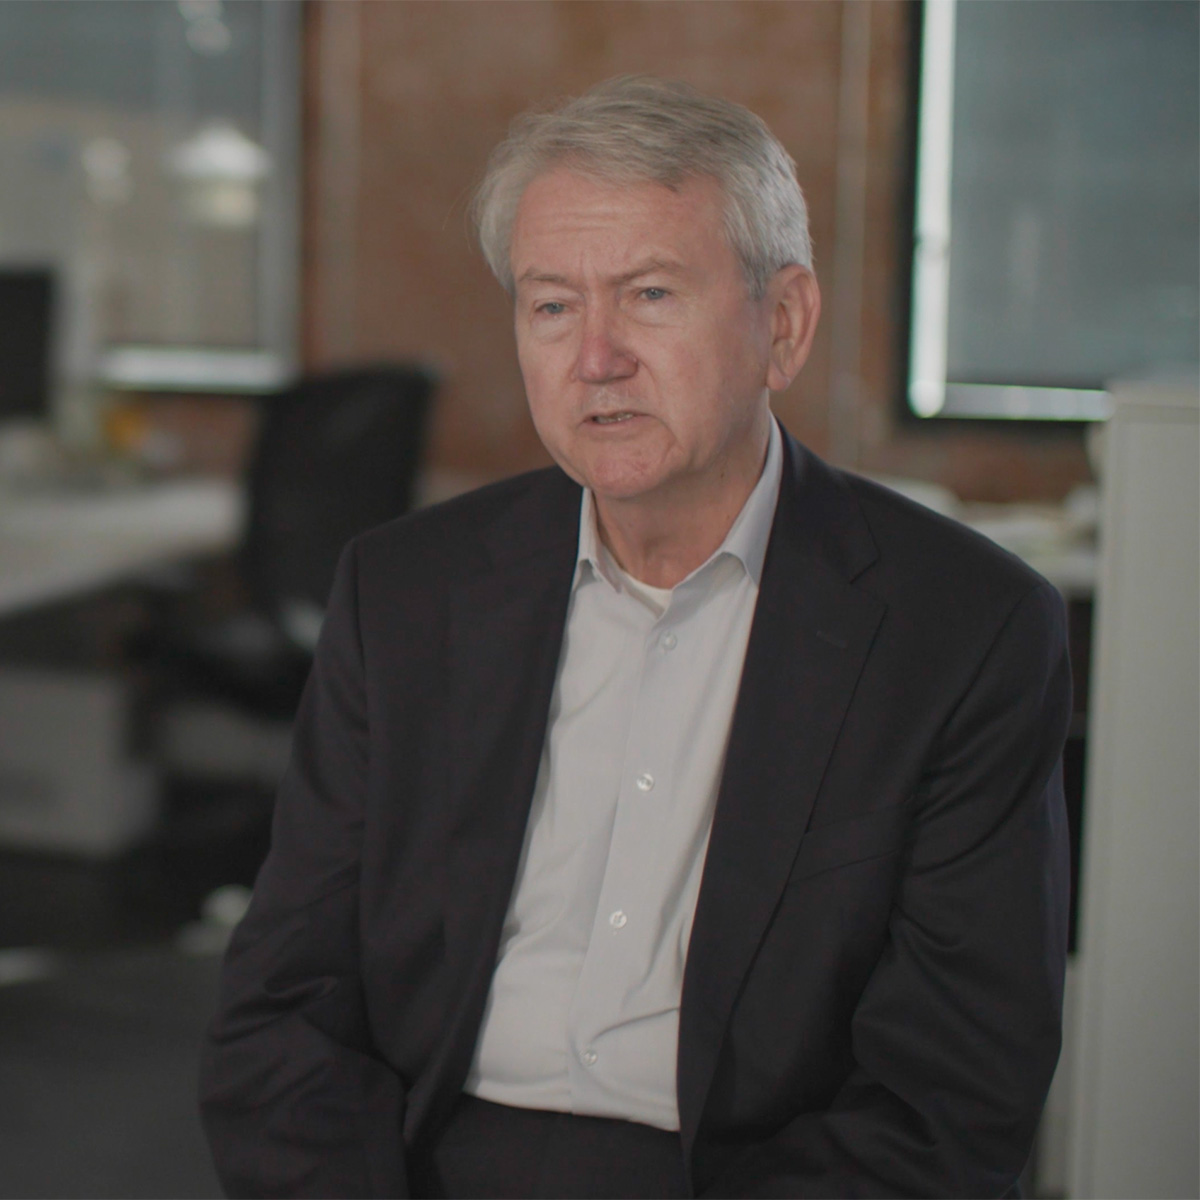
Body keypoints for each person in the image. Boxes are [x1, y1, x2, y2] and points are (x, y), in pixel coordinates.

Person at [200, 76, 1071, 1199]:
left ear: (784, 325)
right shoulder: (403, 593)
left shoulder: (963, 630)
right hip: (418, 1159)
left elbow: (950, 1097)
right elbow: (281, 1013)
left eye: (650, 295)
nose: (594, 358)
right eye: (552, 305)